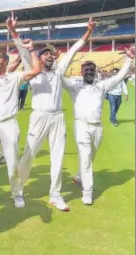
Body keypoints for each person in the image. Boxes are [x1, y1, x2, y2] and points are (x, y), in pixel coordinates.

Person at [15, 15, 97, 211]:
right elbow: (24, 53)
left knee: (58, 157)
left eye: (52, 55)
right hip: (39, 117)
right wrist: (14, 34)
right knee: (29, 154)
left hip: (58, 117)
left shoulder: (59, 72)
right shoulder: (33, 72)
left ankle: (55, 195)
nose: (50, 57)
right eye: (46, 55)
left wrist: (88, 32)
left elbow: (74, 50)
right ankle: (18, 189)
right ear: (40, 58)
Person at [0, 32, 42, 208]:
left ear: (6, 61)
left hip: (9, 123)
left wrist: (31, 50)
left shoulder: (14, 77)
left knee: (12, 162)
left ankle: (17, 193)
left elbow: (36, 70)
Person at [62, 47, 135, 205]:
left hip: (97, 127)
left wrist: (129, 60)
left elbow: (119, 77)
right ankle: (87, 192)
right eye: (86, 69)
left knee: (91, 155)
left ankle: (80, 176)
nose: (89, 71)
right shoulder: (74, 87)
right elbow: (60, 77)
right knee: (86, 156)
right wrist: (57, 63)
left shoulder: (101, 86)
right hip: (81, 125)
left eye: (91, 69)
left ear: (95, 71)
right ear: (81, 71)